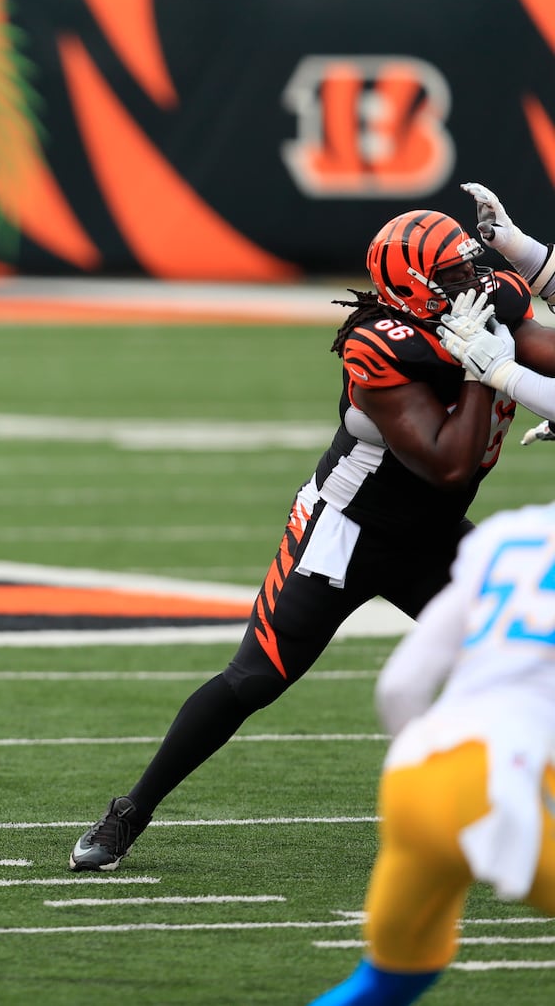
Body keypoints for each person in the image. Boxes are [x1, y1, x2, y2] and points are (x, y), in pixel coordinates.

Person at [69, 182, 555, 871]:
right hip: (348, 535)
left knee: (536, 650)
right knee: (254, 679)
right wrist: (487, 372)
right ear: (413, 287)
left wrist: (509, 348)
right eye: (451, 276)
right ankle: (129, 812)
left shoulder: (486, 301)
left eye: (470, 266)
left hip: (435, 537)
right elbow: (447, 462)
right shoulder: (377, 349)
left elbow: (544, 353)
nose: (472, 281)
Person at [309, 500, 555, 1005]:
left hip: (418, 774)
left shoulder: (509, 534)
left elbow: (399, 688)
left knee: (390, 982)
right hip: (505, 778)